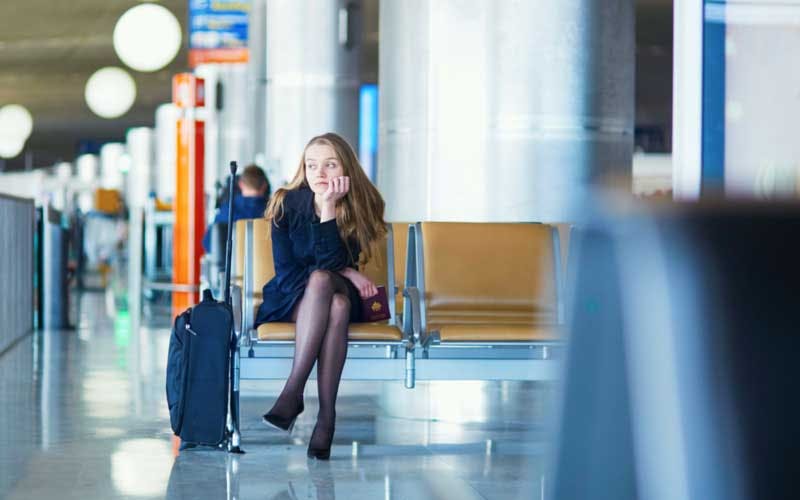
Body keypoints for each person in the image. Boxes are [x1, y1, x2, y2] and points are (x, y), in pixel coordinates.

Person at [255, 132, 386, 460]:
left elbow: (328, 266)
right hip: (293, 296)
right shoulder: (287, 203)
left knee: (326, 283)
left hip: (335, 288)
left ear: (346, 169)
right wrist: (349, 271)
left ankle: (293, 391)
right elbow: (285, 272)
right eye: (312, 165)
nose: (320, 173)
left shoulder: (360, 204)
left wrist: (328, 208)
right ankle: (327, 417)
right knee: (335, 303)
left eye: (330, 164)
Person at [201, 164, 271, 252]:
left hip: (231, 265)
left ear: (241, 184)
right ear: (265, 185)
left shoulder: (227, 211)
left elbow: (208, 244)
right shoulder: (275, 212)